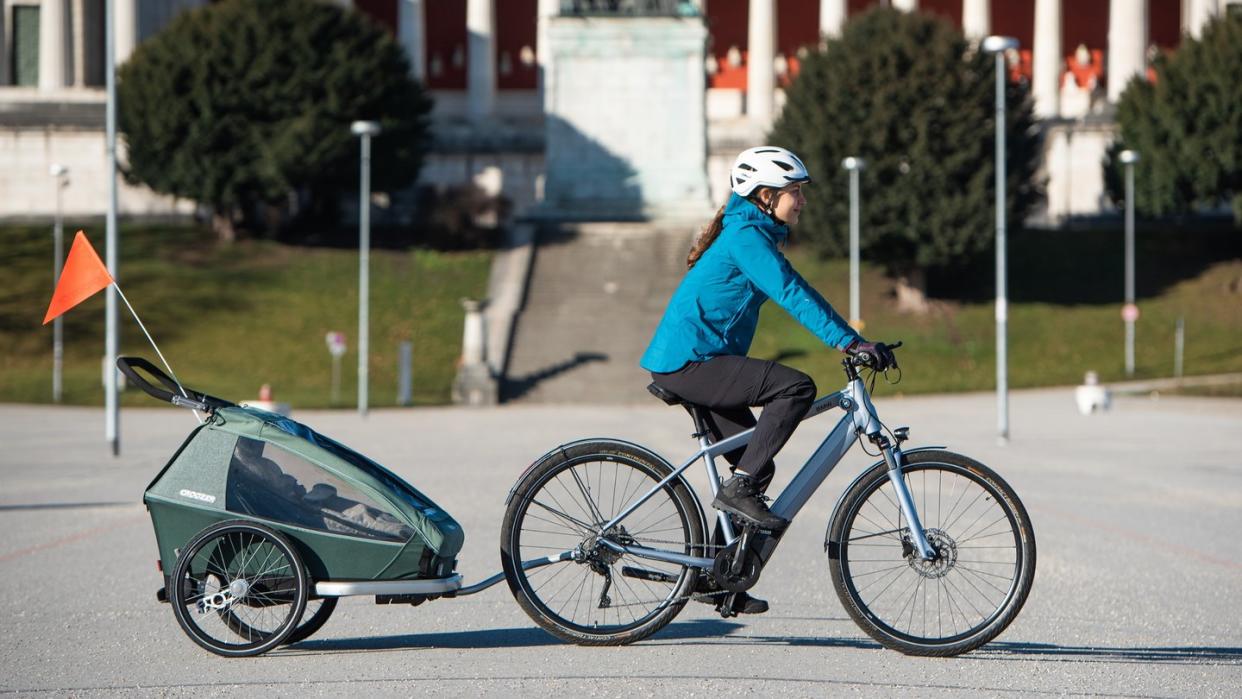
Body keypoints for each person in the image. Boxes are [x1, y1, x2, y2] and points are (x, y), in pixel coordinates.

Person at [640, 146, 893, 614]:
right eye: (793, 192)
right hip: (691, 362)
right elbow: (791, 291)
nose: (801, 200)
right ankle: (737, 492)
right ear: (763, 196)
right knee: (795, 388)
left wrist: (849, 340)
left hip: (697, 360)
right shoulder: (746, 238)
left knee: (757, 464)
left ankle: (713, 579)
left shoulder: (752, 233)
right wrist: (850, 342)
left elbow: (794, 287)